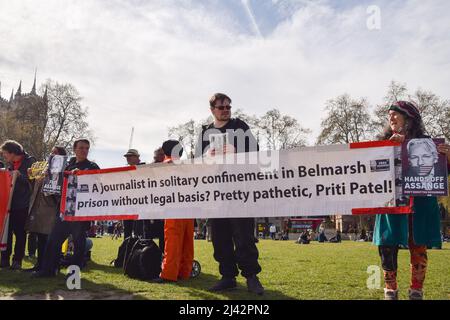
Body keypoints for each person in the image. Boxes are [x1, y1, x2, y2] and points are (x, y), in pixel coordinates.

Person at [373, 100, 450, 300]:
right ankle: (390, 289)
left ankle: (416, 289)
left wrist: (447, 157)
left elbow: (441, 173)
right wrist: (391, 148)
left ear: (409, 119)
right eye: (389, 114)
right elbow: (369, 171)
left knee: (418, 244)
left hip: (420, 204)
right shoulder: (382, 142)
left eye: (395, 114)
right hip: (391, 202)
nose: (390, 117)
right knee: (387, 244)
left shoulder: (428, 143)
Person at [194, 93, 264, 295]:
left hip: (239, 191)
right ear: (212, 110)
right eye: (221, 107)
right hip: (216, 193)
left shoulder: (240, 126)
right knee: (219, 237)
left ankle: (251, 276)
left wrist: (236, 150)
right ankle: (227, 277)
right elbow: (197, 161)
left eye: (228, 106)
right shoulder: (205, 132)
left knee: (244, 236)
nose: (225, 110)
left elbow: (256, 154)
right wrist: (207, 156)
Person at [32, 139, 100, 278]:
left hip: (80, 212)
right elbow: (56, 184)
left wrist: (81, 174)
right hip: (63, 210)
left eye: (87, 148)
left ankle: (74, 275)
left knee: (78, 245)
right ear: (74, 149)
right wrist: (48, 177)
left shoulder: (92, 165)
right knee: (53, 241)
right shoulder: (66, 164)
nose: (84, 150)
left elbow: (97, 183)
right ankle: (48, 270)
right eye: (81, 148)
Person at [154, 140, 194, 283]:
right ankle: (185, 271)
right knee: (187, 242)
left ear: (164, 152)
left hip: (173, 208)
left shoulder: (166, 165)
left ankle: (169, 273)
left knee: (173, 241)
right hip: (189, 209)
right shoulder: (187, 166)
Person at [23, 146, 67, 273]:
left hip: (51, 210)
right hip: (39, 208)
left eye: (55, 153)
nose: (52, 154)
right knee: (40, 238)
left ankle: (50, 266)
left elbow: (58, 193)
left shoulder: (62, 171)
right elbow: (35, 188)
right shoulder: (44, 169)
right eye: (51, 152)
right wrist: (31, 177)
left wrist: (52, 178)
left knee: (49, 240)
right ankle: (39, 265)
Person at [0, 140, 36, 270]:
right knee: (6, 233)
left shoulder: (30, 162)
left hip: (22, 204)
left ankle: (17, 260)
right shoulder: (9, 164)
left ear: (12, 152)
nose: (4, 156)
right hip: (7, 204)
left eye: (5, 154)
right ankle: (4, 259)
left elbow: (33, 182)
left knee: (20, 234)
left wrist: (19, 176)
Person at [122, 149, 146, 239]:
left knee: (139, 231)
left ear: (137, 157)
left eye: (130, 156)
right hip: (127, 204)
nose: (127, 158)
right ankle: (127, 251)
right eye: (126, 157)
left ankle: (139, 251)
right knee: (127, 231)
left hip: (141, 205)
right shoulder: (125, 171)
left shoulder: (144, 168)